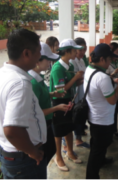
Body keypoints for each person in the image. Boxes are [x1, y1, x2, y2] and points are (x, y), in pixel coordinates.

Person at [0, 29, 47, 179]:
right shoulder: (20, 84)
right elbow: (12, 131)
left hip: (9, 152)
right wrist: (33, 151)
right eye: (38, 52)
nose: (39, 57)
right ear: (27, 53)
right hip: (23, 159)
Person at [85, 43, 118, 180]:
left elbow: (98, 83)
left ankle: (102, 160)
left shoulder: (90, 69)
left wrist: (112, 79)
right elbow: (112, 100)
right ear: (103, 59)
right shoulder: (102, 77)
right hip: (103, 121)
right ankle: (92, 177)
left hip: (94, 116)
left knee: (98, 145)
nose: (111, 62)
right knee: (97, 151)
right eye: (110, 59)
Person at [28, 42, 69, 165]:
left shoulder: (38, 78)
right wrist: (56, 108)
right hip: (41, 124)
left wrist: (52, 94)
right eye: (48, 61)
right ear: (38, 61)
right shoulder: (33, 83)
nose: (50, 64)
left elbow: (40, 98)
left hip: (46, 121)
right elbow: (35, 112)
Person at [49, 39, 84, 171]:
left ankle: (70, 152)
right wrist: (75, 79)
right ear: (68, 51)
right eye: (75, 50)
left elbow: (70, 86)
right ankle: (59, 157)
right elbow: (60, 91)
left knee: (69, 128)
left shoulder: (69, 66)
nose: (77, 52)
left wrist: (79, 81)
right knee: (58, 132)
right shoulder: (58, 68)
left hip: (69, 100)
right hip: (59, 102)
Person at [69, 37, 90, 149]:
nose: (82, 52)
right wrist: (87, 79)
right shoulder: (72, 62)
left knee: (81, 113)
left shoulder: (82, 60)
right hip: (76, 94)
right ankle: (78, 139)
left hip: (83, 92)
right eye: (80, 49)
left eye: (84, 49)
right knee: (77, 114)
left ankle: (80, 132)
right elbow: (75, 80)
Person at [106, 42, 118, 137]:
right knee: (110, 110)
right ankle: (109, 131)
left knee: (116, 109)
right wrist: (113, 78)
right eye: (116, 52)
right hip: (110, 89)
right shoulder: (107, 62)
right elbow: (104, 76)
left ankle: (114, 130)